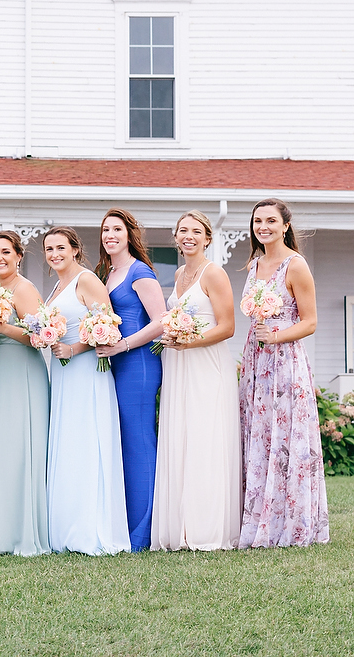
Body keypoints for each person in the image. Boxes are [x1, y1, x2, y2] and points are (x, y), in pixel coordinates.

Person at [238, 198, 329, 547]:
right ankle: (260, 517)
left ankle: (290, 523)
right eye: (258, 220)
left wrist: (275, 335)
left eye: (271, 221)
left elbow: (310, 321)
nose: (263, 226)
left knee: (285, 437)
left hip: (285, 360)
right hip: (257, 361)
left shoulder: (296, 265)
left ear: (285, 226)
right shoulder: (253, 264)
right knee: (260, 436)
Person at [151, 211, 241, 551]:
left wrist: (189, 341)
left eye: (196, 231)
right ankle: (182, 525)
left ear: (207, 238)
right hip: (179, 364)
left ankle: (206, 528)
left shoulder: (213, 273)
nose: (188, 236)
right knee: (182, 437)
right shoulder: (178, 274)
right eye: (182, 230)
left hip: (205, 363)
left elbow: (227, 326)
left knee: (206, 437)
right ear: (176, 237)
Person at [43, 227, 129, 555]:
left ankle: (90, 530)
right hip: (63, 375)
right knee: (68, 443)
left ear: (75, 250)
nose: (55, 254)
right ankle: (65, 527)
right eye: (49, 249)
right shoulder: (56, 285)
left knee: (87, 442)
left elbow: (107, 328)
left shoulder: (86, 280)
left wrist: (74, 349)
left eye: (61, 248)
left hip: (87, 372)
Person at [93, 208, 167, 552]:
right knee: (122, 441)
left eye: (117, 229)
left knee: (138, 441)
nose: (110, 235)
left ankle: (144, 531)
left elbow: (161, 321)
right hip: (116, 364)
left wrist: (122, 344)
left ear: (129, 234)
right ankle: (126, 523)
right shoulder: (107, 273)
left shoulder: (140, 271)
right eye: (106, 230)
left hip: (138, 363)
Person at [0, 230, 49, 556]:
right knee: (2, 447)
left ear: (19, 256)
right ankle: (1, 530)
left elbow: (39, 335)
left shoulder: (24, 288)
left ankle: (21, 532)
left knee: (20, 447)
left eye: (6, 252)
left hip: (21, 370)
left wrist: (4, 327)